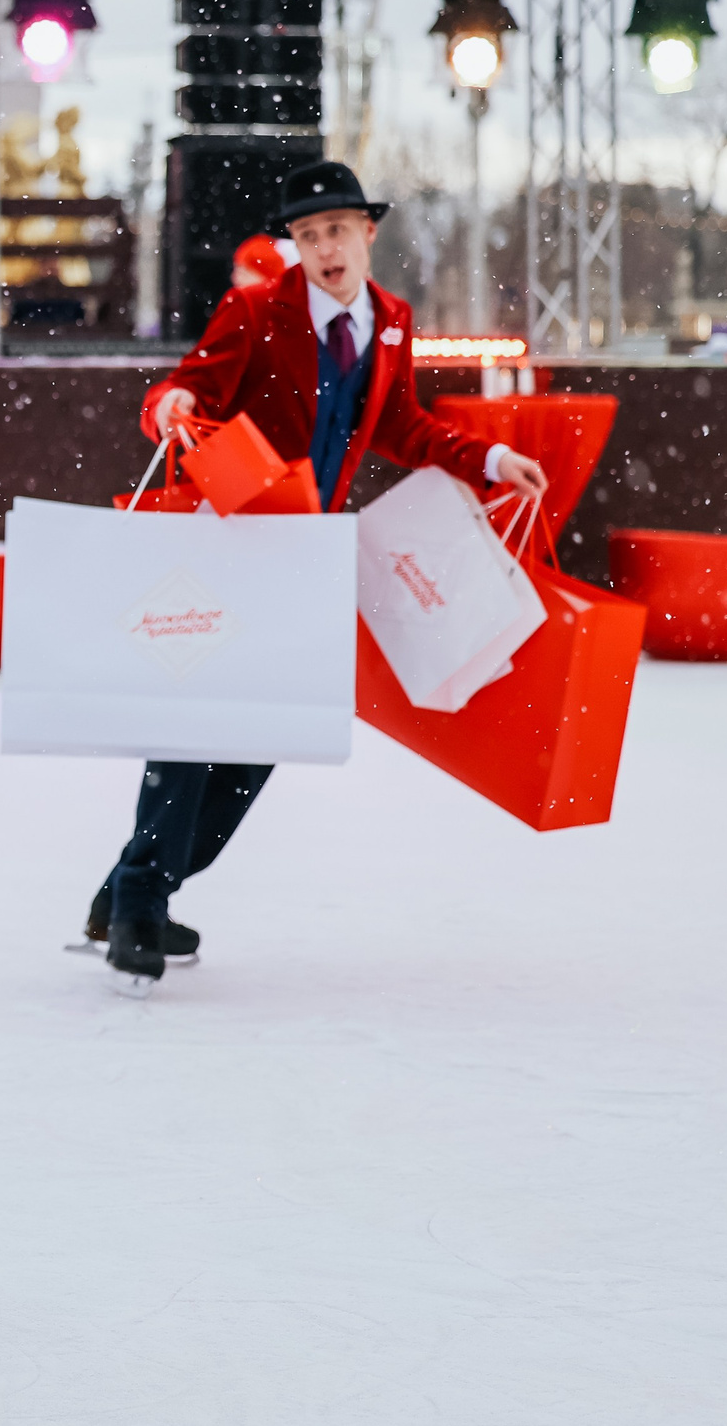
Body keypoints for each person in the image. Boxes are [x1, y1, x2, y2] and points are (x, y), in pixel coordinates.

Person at [83, 160, 549, 991]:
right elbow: (190, 383)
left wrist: (493, 457)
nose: (323, 248)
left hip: (303, 558)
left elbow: (401, 425)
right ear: (292, 247)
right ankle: (139, 906)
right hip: (230, 538)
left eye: (336, 230)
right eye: (306, 236)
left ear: (369, 233)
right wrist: (171, 408)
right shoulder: (260, 309)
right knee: (192, 724)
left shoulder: (393, 322)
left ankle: (133, 887)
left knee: (264, 739)